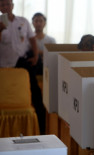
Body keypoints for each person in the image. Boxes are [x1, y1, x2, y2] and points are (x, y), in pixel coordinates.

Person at [0, 0, 45, 134]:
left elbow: (32, 39)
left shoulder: (23, 21)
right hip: (2, 63)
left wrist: (36, 56)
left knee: (36, 93)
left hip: (21, 61)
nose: (5, 7)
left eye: (8, 4)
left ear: (12, 6)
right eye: (2, 5)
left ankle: (42, 130)